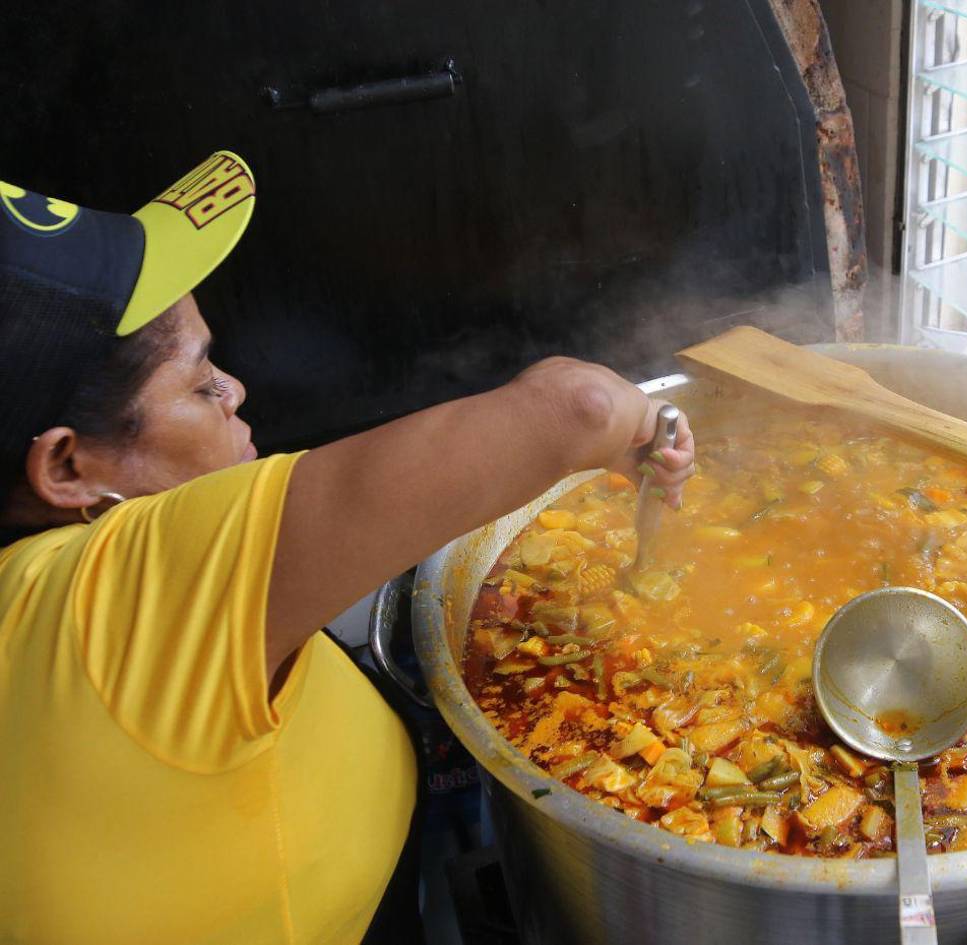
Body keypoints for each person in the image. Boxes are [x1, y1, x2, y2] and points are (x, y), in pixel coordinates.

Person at [0, 151, 695, 944]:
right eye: (200, 384)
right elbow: (581, 405)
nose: (237, 391)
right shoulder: (114, 601)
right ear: (64, 466)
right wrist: (652, 428)